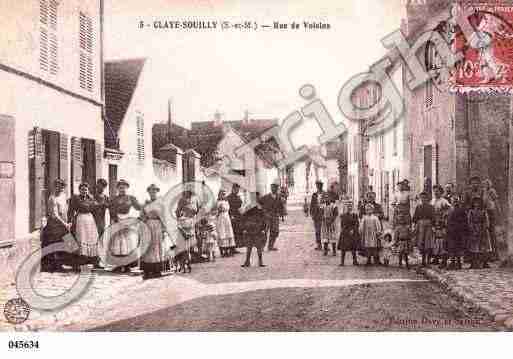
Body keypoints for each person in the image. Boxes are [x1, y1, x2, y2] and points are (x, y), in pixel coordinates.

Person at [108, 179, 143, 273]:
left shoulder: (131, 198)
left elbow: (139, 207)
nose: (122, 189)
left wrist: (140, 215)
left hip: (127, 220)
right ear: (117, 189)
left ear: (127, 188)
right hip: (117, 220)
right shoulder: (114, 199)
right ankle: (119, 265)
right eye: (120, 188)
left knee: (128, 243)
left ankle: (128, 265)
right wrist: (115, 220)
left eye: (124, 187)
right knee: (117, 243)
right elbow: (111, 210)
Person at [140, 184, 171, 280]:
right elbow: (142, 215)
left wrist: (164, 229)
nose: (152, 193)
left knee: (157, 247)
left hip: (157, 226)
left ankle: (157, 270)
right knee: (148, 247)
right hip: (148, 225)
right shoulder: (145, 204)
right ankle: (147, 270)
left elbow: (165, 217)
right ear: (148, 192)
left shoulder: (161, 204)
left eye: (154, 191)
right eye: (150, 191)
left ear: (157, 192)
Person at [41, 178, 71, 272]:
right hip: (55, 225)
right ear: (55, 187)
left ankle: (61, 264)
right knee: (55, 244)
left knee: (64, 244)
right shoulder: (52, 198)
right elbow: (54, 214)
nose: (60, 189)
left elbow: (66, 209)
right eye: (58, 186)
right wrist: (64, 224)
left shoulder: (63, 196)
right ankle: (55, 266)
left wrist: (68, 221)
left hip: (63, 223)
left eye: (62, 187)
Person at [68, 182, 100, 271]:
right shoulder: (75, 198)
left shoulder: (91, 198)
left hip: (90, 220)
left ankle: (93, 261)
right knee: (81, 238)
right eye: (82, 189)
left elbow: (96, 207)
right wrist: (70, 221)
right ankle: (78, 263)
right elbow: (70, 210)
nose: (84, 191)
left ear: (88, 190)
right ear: (79, 190)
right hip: (80, 219)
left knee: (91, 238)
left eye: (86, 190)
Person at [241, 196, 267, 267]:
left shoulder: (261, 209)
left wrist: (263, 229)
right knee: (249, 247)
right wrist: (244, 229)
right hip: (250, 229)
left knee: (259, 247)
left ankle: (260, 261)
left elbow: (264, 220)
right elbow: (243, 219)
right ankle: (247, 261)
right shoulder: (248, 208)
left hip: (258, 230)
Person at [175, 189, 201, 260]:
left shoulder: (196, 199)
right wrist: (180, 220)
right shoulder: (182, 200)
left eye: (190, 191)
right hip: (186, 221)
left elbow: (199, 210)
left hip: (194, 219)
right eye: (187, 191)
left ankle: (196, 255)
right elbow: (177, 211)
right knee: (187, 239)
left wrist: (198, 220)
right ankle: (187, 256)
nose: (188, 193)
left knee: (196, 236)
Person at [467, 197, 493, 269]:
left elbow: (486, 221)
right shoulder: (471, 211)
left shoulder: (483, 211)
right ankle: (473, 263)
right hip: (474, 230)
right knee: (473, 247)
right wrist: (473, 229)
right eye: (475, 203)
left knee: (484, 247)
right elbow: (469, 221)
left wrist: (484, 228)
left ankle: (485, 262)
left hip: (483, 230)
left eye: (478, 203)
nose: (477, 204)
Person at [392, 180, 412, 268]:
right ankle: (400, 261)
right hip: (398, 209)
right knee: (398, 226)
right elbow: (393, 203)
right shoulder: (396, 194)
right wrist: (396, 208)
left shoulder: (407, 193)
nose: (400, 187)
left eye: (401, 186)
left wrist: (406, 211)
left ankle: (406, 260)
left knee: (405, 226)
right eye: (398, 186)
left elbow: (409, 204)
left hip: (405, 210)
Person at [431, 184, 451, 268]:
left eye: (437, 191)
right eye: (434, 191)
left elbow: (449, 209)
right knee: (435, 240)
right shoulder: (432, 201)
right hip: (434, 222)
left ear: (441, 192)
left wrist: (444, 215)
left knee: (442, 240)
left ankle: (443, 258)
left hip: (442, 222)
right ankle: (435, 257)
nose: (436, 193)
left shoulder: (444, 201)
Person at [260, 182, 285, 251]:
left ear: (277, 189)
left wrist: (282, 215)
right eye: (273, 187)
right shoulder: (266, 197)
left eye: (276, 188)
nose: (274, 189)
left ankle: (270, 246)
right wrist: (264, 212)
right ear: (271, 188)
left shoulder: (278, 197)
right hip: (267, 216)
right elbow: (259, 203)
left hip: (275, 217)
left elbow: (281, 207)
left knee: (275, 232)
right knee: (265, 231)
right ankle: (261, 247)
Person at [413, 191, 435, 267]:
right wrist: (415, 226)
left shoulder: (431, 207)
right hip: (420, 225)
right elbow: (415, 218)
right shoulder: (418, 207)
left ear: (427, 198)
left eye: (425, 198)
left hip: (428, 224)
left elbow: (433, 217)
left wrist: (433, 226)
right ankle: (423, 261)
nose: (423, 199)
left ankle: (428, 261)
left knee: (428, 243)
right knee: (421, 242)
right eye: (422, 198)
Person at [446, 195, 468, 270]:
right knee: (452, 247)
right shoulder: (450, 210)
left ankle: (458, 263)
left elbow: (465, 221)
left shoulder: (461, 210)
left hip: (458, 231)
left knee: (457, 247)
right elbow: (448, 221)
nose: (455, 203)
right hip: (452, 231)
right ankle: (453, 262)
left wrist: (463, 229)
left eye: (456, 201)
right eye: (453, 201)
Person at [338, 201, 359, 266]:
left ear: (352, 207)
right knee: (343, 248)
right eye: (348, 206)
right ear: (346, 207)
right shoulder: (343, 215)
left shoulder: (355, 215)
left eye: (350, 206)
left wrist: (353, 230)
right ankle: (342, 262)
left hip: (352, 232)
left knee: (353, 247)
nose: (349, 207)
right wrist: (345, 230)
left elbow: (357, 224)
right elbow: (342, 224)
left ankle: (355, 261)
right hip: (345, 232)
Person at [482, 178, 499, 260]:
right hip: (485, 212)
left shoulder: (492, 191)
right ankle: (489, 254)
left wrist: (498, 211)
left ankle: (496, 254)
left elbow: (496, 201)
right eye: (485, 184)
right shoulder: (483, 191)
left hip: (491, 212)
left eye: (487, 184)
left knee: (492, 233)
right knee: (487, 233)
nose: (486, 185)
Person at [216, 189, 235, 257]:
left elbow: (228, 209)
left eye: (224, 194)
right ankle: (223, 250)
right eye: (222, 194)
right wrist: (219, 209)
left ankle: (229, 249)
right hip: (221, 218)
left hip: (227, 217)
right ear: (219, 195)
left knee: (228, 233)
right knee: (222, 233)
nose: (223, 195)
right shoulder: (218, 202)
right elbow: (216, 211)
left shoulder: (226, 202)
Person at [226, 183, 243, 253]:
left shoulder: (238, 197)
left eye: (238, 189)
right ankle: (231, 248)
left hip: (238, 216)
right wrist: (231, 216)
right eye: (236, 189)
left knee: (237, 232)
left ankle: (235, 247)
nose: (237, 190)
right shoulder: (229, 197)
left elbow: (240, 205)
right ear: (233, 189)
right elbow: (228, 208)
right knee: (232, 232)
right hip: (232, 216)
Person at [310, 180, 325, 250]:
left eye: (320, 185)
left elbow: (329, 203)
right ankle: (319, 244)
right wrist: (312, 214)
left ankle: (325, 245)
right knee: (317, 231)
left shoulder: (325, 194)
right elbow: (311, 205)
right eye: (317, 185)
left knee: (325, 230)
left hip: (324, 215)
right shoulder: (314, 195)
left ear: (322, 186)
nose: (319, 187)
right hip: (316, 215)